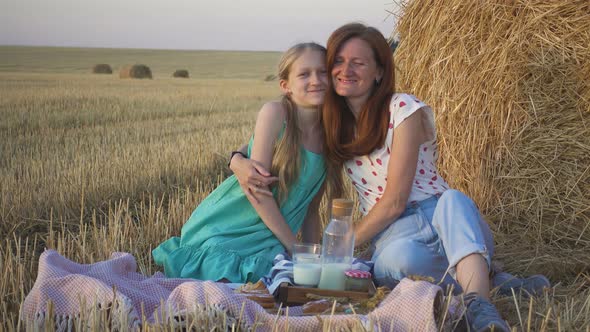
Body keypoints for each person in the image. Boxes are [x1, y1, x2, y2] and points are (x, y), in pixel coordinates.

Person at [230, 23, 550, 331]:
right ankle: (490, 279)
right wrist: (237, 160)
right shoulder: (335, 126)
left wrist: (338, 252)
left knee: (454, 200)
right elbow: (266, 139)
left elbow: (396, 200)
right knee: (391, 267)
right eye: (338, 62)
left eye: (358, 62)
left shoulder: (402, 109)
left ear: (379, 72)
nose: (345, 69)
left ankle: (480, 304)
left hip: (440, 216)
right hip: (393, 234)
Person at [152, 42, 330, 283]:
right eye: (304, 74)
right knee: (239, 285)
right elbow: (258, 192)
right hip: (234, 225)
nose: (316, 79)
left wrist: (311, 261)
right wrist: (294, 248)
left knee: (282, 287)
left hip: (273, 237)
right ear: (286, 86)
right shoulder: (275, 113)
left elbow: (311, 210)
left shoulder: (331, 136)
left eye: (322, 71)